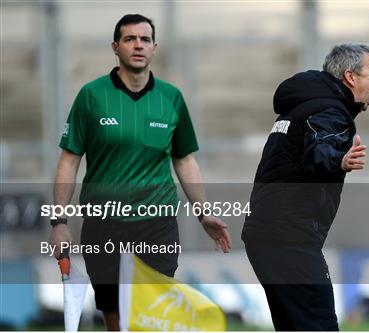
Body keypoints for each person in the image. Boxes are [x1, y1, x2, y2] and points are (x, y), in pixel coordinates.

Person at [48, 14, 231, 330]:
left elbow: (184, 160)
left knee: (152, 312)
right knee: (114, 314)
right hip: (103, 222)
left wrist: (204, 213)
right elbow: (69, 161)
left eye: (145, 39)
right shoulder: (91, 96)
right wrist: (59, 222)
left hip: (156, 224)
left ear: (155, 48)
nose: (138, 45)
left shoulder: (171, 98)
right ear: (115, 47)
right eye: (130, 39)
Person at [241, 43, 369, 331]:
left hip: (268, 235)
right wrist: (339, 161)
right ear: (350, 77)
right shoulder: (330, 111)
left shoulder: (303, 107)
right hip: (289, 238)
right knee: (320, 326)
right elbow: (319, 149)